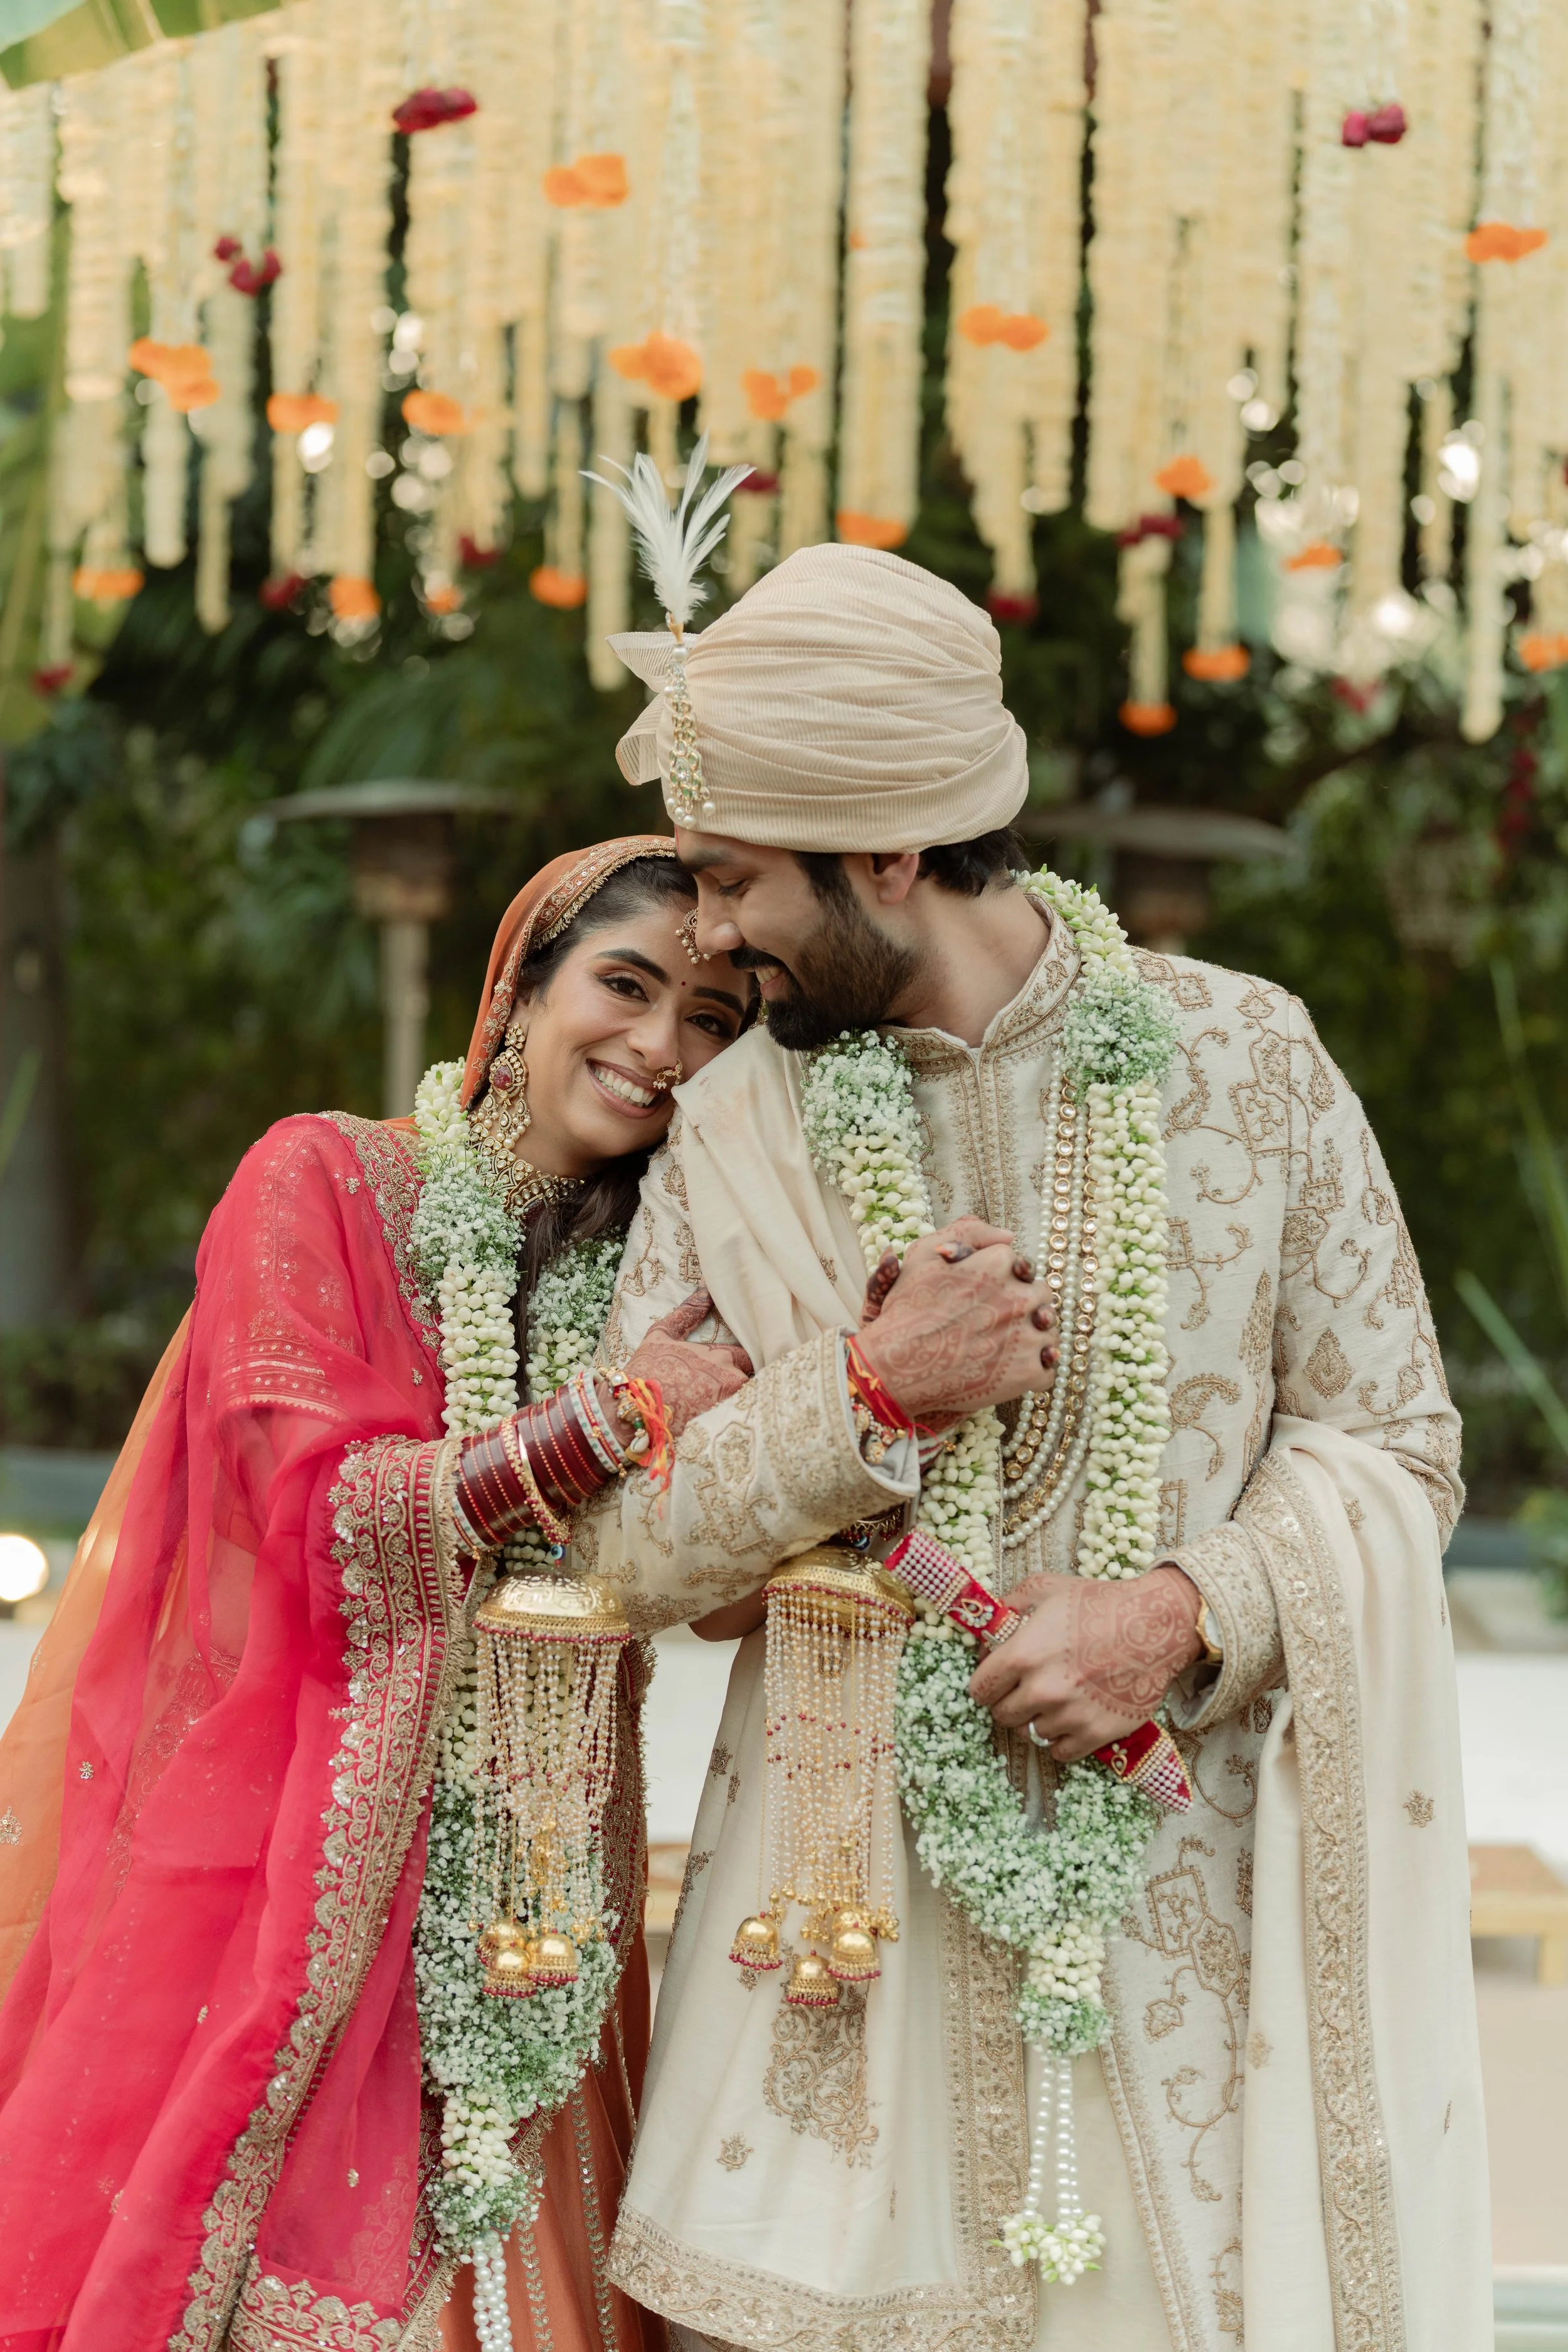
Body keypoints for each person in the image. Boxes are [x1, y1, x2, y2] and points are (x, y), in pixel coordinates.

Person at [565, 545, 1490, 2352]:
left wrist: (1177, 1607)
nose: (711, 934)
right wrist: (866, 1390)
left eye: (743, 879)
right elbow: (625, 1540)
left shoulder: (1249, 1059)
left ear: (894, 853)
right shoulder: (734, 1119)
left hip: (1186, 1943)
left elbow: (1395, 1436)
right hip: (837, 1967)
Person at [0, 836, 756, 2352]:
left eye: (712, 1021)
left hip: (541, 1882)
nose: (658, 1046)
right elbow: (325, 1517)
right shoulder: (322, 1179)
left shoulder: (666, 1267)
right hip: (295, 1856)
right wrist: (609, 1420)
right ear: (518, 990)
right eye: (624, 985)